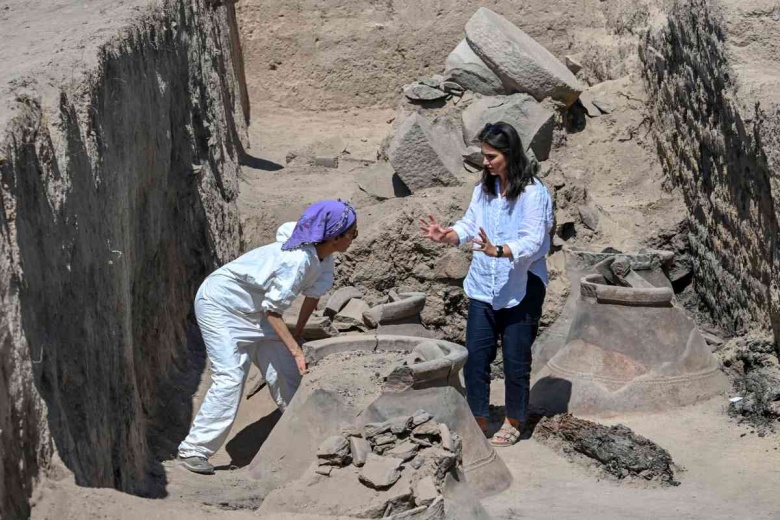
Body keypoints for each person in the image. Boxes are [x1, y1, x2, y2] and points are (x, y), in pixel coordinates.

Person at [178, 199, 358, 474]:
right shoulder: (297, 260)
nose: (354, 239)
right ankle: (194, 451)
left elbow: (312, 297)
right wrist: (297, 350)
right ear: (335, 236)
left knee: (287, 374)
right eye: (352, 233)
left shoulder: (325, 257)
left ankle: (306, 435)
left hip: (257, 311)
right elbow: (274, 312)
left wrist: (296, 335)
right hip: (223, 305)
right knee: (230, 376)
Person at [419, 122, 553, 447]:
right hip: (482, 283)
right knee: (477, 356)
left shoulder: (533, 194)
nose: (487, 163)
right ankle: (477, 416)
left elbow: (534, 241)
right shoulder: (483, 190)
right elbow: (469, 223)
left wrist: (500, 250)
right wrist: (448, 235)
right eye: (484, 156)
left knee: (515, 359)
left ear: (510, 154)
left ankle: (514, 418)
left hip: (521, 284)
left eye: (492, 156)